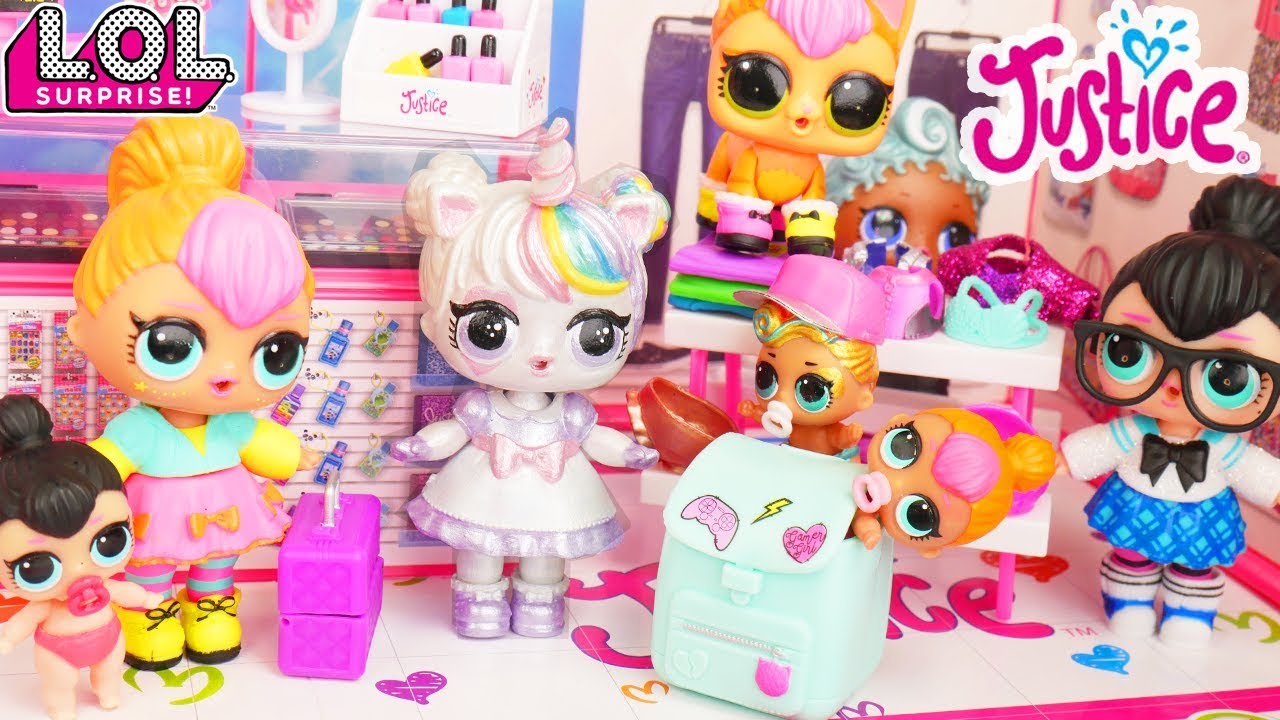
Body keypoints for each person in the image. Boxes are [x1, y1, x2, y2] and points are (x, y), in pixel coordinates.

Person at [392, 119, 667, 639]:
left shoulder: (572, 414)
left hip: (557, 497)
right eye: (489, 328)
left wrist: (630, 452)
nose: (541, 356)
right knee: (479, 549)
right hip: (482, 491)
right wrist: (422, 446)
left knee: (548, 555)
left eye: (594, 334)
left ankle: (542, 602)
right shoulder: (483, 409)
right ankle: (478, 601)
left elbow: (598, 439)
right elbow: (453, 432)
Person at [68, 116, 320, 669]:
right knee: (151, 568)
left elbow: (264, 446)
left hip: (226, 510)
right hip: (155, 514)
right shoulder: (139, 429)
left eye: (273, 349)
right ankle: (149, 613)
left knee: (217, 567)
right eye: (172, 344)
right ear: (83, 329)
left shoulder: (231, 424)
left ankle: (209, 609)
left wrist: (296, 455)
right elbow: (104, 466)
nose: (226, 373)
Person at [1061, 176, 1280, 648]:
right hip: (1138, 502)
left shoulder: (1223, 448)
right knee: (1131, 556)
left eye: (1227, 376)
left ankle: (1189, 613)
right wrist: (1056, 461)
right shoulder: (1134, 431)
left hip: (1203, 511)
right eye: (1130, 351)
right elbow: (1094, 448)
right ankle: (1129, 604)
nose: (1173, 385)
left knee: (1195, 567)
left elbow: (1261, 477)